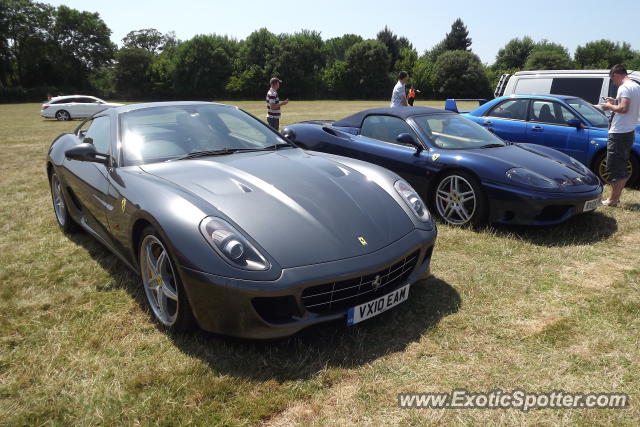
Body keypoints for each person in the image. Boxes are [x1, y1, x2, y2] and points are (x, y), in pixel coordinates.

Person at [600, 64, 640, 206]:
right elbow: (628, 106)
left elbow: (623, 108)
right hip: (628, 130)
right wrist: (615, 101)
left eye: (612, 79)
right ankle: (615, 198)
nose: (613, 82)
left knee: (615, 167)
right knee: (620, 164)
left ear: (616, 74)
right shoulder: (635, 86)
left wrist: (608, 106)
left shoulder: (624, 87)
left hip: (619, 132)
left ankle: (612, 200)